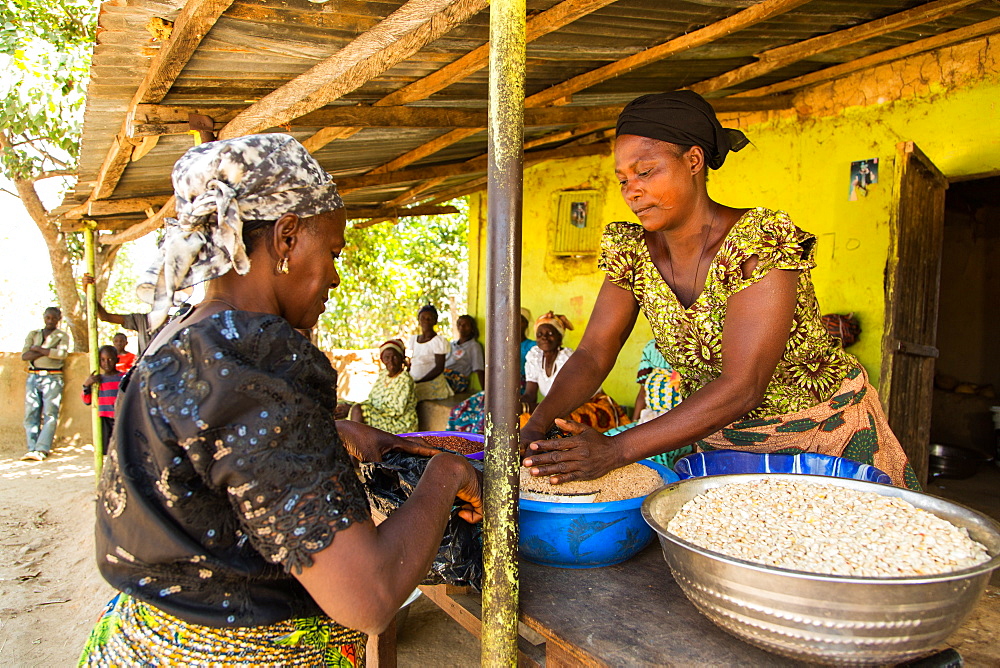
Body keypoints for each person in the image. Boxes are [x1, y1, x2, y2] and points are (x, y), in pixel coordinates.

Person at [79, 134, 482, 666]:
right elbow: (369, 598)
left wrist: (334, 430)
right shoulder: (258, 360)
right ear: (287, 238)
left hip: (142, 641)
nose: (334, 276)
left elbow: (209, 442)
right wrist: (445, 476)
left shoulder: (185, 335)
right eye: (333, 252)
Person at [520, 90, 919, 490]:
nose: (631, 191)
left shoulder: (758, 244)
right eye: (623, 180)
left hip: (824, 436)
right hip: (721, 441)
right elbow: (592, 353)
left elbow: (742, 386)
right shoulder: (633, 253)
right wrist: (535, 425)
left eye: (645, 172)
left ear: (693, 161)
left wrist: (615, 450)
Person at [521, 312, 629, 433]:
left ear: (560, 338)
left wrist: (526, 407)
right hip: (557, 408)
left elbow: (562, 403)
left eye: (550, 333)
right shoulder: (535, 357)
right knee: (519, 419)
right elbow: (530, 394)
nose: (544, 337)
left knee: (559, 424)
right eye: (539, 334)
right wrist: (515, 405)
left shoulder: (568, 359)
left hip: (591, 406)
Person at [604, 339, 689, 467]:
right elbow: (642, 393)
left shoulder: (694, 350)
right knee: (608, 440)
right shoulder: (651, 348)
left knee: (653, 450)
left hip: (680, 425)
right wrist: (635, 422)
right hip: (649, 418)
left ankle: (660, 483)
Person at [81, 274, 192, 355]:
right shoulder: (142, 320)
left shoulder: (180, 320)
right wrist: (89, 293)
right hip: (145, 372)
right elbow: (105, 317)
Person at [20, 306, 70, 462]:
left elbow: (61, 355)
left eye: (54, 318)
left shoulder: (62, 336)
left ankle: (42, 449)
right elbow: (25, 355)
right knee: (31, 412)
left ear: (58, 319)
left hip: (53, 377)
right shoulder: (34, 334)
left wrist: (38, 350)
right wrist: (47, 351)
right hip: (33, 376)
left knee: (50, 414)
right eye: (48, 317)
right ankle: (32, 447)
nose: (50, 321)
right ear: (44, 317)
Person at [338, 339, 418, 434]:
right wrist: (349, 406)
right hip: (380, 415)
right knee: (339, 404)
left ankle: (357, 446)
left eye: (395, 357)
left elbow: (395, 411)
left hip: (399, 423)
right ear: (382, 359)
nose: (391, 361)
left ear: (401, 358)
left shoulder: (405, 379)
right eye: (387, 357)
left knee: (358, 410)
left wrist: (352, 408)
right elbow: (372, 400)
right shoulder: (383, 375)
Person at [81, 345, 123, 454]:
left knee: (121, 446)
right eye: (103, 360)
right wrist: (87, 385)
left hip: (120, 417)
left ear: (117, 360)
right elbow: (87, 401)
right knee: (106, 448)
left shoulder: (123, 378)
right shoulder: (97, 380)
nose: (106, 363)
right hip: (104, 418)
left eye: (110, 359)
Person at [407, 304, 453, 401]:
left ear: (435, 321)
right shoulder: (413, 339)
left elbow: (439, 368)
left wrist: (421, 381)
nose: (426, 321)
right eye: (423, 318)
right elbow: (410, 362)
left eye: (430, 318)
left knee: (410, 396)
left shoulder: (439, 341)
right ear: (419, 320)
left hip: (431, 382)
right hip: (415, 380)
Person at [443, 315, 485, 393]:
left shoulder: (474, 346)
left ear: (472, 328)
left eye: (466, 325)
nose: (462, 327)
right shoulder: (452, 345)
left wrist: (485, 392)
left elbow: (479, 370)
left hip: (457, 380)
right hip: (444, 376)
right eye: (459, 324)